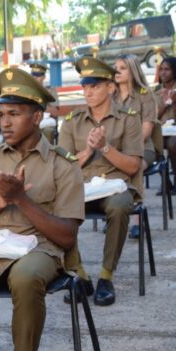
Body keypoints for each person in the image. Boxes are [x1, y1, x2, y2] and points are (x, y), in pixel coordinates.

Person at [0, 68, 84, 351]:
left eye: (14, 113)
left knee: (26, 277)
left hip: (40, 248)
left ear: (37, 117)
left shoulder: (62, 164)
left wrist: (21, 199)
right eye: (2, 113)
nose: (4, 121)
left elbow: (67, 236)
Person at [58, 57, 143, 306]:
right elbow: (63, 167)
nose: (88, 92)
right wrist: (87, 151)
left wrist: (104, 147)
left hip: (115, 185)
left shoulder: (129, 118)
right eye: (85, 86)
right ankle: (80, 276)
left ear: (110, 87)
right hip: (81, 187)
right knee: (56, 208)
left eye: (95, 86)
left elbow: (133, 166)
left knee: (119, 206)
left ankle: (106, 276)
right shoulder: (72, 121)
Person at [114, 54, 158, 239]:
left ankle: (136, 220)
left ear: (133, 71)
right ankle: (114, 215)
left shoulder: (144, 95)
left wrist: (126, 153)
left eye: (122, 68)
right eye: (115, 67)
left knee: (133, 167)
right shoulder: (111, 95)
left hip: (142, 148)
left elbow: (146, 131)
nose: (117, 71)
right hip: (116, 149)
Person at [154, 57, 176, 196]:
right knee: (153, 143)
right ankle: (165, 180)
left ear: (175, 71)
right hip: (161, 131)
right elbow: (153, 117)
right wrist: (165, 103)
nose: (163, 73)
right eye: (161, 69)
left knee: (173, 144)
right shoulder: (156, 90)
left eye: (167, 69)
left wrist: (175, 103)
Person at [29, 63, 60, 144]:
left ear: (43, 77)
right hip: (30, 122)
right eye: (33, 76)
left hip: (45, 123)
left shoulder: (50, 91)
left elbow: (56, 112)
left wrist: (41, 104)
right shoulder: (27, 92)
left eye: (38, 76)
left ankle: (48, 154)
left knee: (48, 130)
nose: (35, 78)